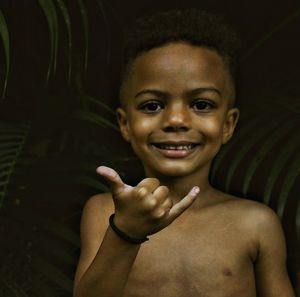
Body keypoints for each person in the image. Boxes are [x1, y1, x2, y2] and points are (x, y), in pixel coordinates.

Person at [73, 9, 295, 297]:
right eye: (152, 105)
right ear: (125, 124)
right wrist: (125, 233)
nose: (176, 120)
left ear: (228, 124)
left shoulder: (256, 222)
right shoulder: (105, 212)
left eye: (201, 104)